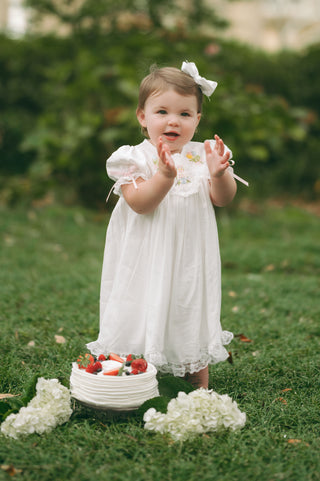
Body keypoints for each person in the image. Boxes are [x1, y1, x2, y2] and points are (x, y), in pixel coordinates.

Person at [87, 61, 248, 388]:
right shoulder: (134, 158)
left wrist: (220, 175)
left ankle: (195, 377)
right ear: (142, 117)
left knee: (188, 303)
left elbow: (223, 199)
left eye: (185, 114)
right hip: (143, 256)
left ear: (197, 120)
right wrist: (163, 176)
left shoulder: (203, 155)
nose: (173, 120)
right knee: (138, 302)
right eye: (162, 111)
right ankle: (125, 372)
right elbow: (140, 203)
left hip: (189, 256)